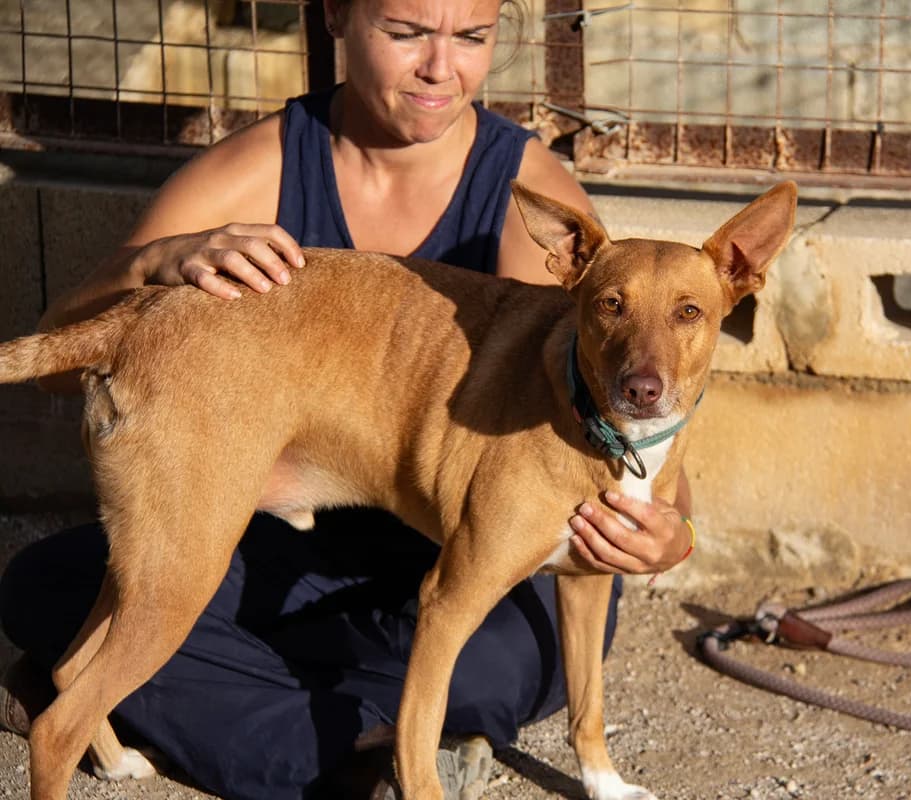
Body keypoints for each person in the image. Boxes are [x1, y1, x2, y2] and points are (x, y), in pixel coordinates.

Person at [0, 0, 695, 797]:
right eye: (404, 33)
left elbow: (634, 409)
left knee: (506, 654)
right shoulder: (255, 169)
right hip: (279, 532)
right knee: (43, 582)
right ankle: (359, 739)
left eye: (471, 38)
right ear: (337, 17)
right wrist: (153, 260)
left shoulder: (529, 193)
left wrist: (674, 537)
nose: (440, 67)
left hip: (461, 549)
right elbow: (62, 361)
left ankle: (227, 707)